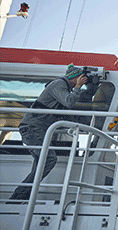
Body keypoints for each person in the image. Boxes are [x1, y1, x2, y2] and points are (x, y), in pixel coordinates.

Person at [9, 64, 87, 200]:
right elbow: (69, 102)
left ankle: (24, 197)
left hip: (38, 129)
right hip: (33, 128)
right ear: (74, 78)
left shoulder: (64, 88)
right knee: (49, 159)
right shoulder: (59, 84)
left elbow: (65, 112)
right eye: (81, 77)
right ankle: (19, 195)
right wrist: (78, 88)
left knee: (40, 165)